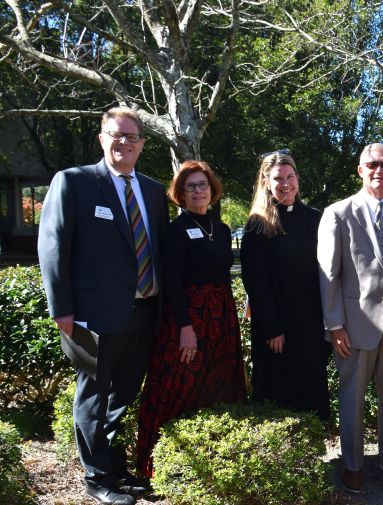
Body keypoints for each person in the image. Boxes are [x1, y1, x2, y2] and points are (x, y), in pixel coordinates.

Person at [38, 107, 168, 505]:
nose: (124, 143)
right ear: (101, 138)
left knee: (123, 396)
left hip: (145, 313)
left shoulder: (153, 190)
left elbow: (159, 250)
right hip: (92, 315)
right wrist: (62, 308)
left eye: (132, 137)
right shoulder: (74, 182)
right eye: (117, 135)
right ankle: (97, 479)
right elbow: (53, 246)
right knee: (93, 397)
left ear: (142, 144)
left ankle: (114, 469)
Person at [317, 143, 383, 493]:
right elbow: (328, 274)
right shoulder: (338, 212)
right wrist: (334, 325)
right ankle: (353, 465)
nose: (380, 170)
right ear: (360, 170)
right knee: (353, 398)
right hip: (353, 325)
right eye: (372, 165)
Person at [136, 161, 247, 478]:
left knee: (217, 384)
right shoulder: (175, 231)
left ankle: (215, 455)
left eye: (203, 185)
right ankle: (159, 465)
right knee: (178, 385)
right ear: (180, 194)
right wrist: (185, 328)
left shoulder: (222, 229)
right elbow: (171, 283)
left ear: (212, 190)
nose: (199, 190)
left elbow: (225, 277)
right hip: (188, 319)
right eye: (191, 186)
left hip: (221, 318)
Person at [240, 152, 330, 419]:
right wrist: (272, 328)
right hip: (277, 328)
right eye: (278, 178)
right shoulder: (257, 226)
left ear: (298, 179)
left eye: (290, 177)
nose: (286, 183)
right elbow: (255, 282)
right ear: (266, 182)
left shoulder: (315, 219)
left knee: (311, 392)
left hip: (311, 324)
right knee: (280, 396)